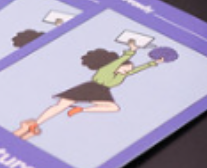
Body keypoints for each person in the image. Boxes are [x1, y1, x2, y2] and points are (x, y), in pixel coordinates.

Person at [13, 41, 168, 139]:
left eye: (129, 69)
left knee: (113, 107)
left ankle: (81, 109)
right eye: (127, 67)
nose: (128, 70)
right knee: (60, 105)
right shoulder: (107, 70)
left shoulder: (122, 76)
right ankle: (36, 123)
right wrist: (131, 50)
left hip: (101, 92)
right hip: (89, 87)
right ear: (119, 65)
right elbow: (120, 61)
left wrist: (154, 63)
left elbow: (137, 69)